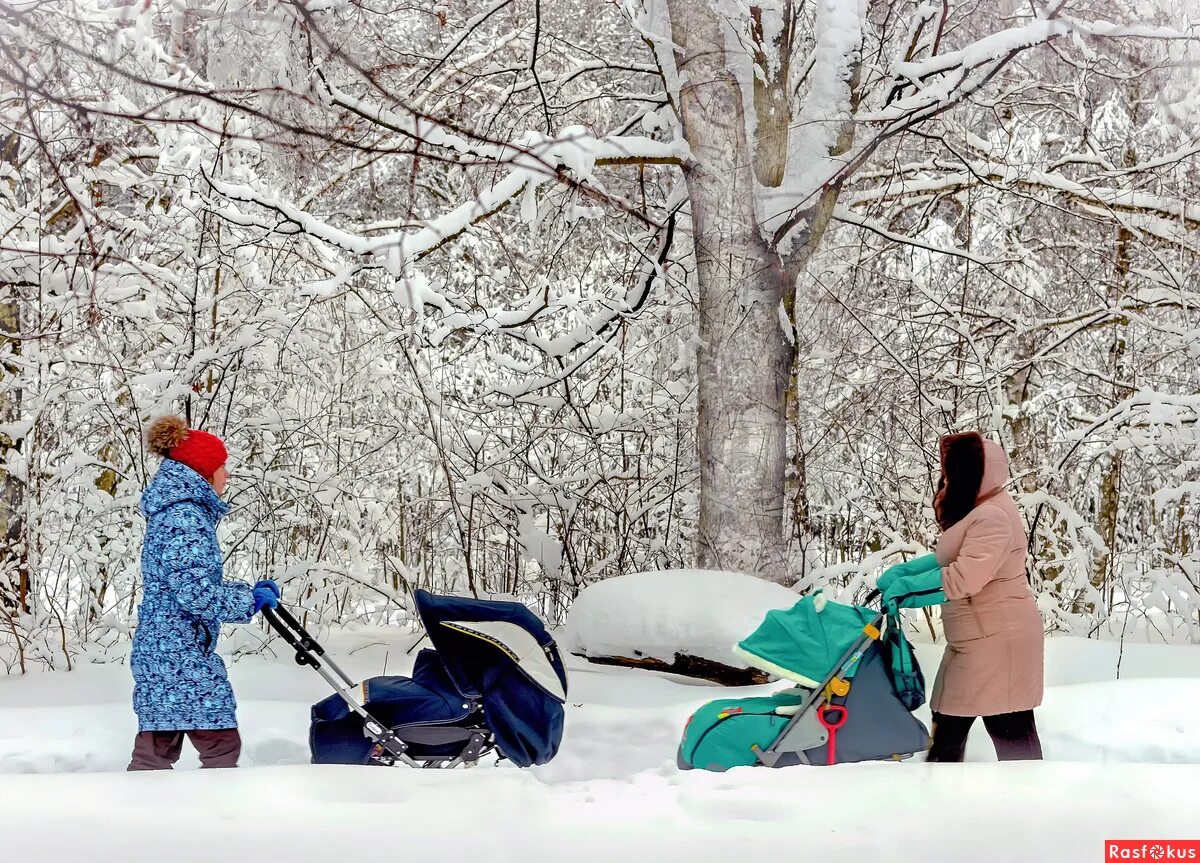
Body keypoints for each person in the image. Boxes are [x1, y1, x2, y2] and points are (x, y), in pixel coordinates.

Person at [878, 431, 1045, 762]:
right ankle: (943, 793)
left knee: (1004, 724)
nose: (944, 479)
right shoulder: (985, 508)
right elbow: (952, 556)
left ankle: (1028, 802)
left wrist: (907, 590)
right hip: (980, 637)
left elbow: (964, 577)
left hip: (998, 641)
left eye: (951, 471)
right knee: (952, 716)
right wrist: (906, 573)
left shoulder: (993, 516)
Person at [127, 415, 281, 771]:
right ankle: (219, 813)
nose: (227, 475)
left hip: (165, 648)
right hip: (179, 653)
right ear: (202, 472)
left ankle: (138, 810)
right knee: (221, 743)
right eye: (222, 467)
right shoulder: (185, 518)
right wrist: (248, 601)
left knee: (157, 746)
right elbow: (195, 593)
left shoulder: (177, 512)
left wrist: (247, 591)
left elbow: (186, 582)